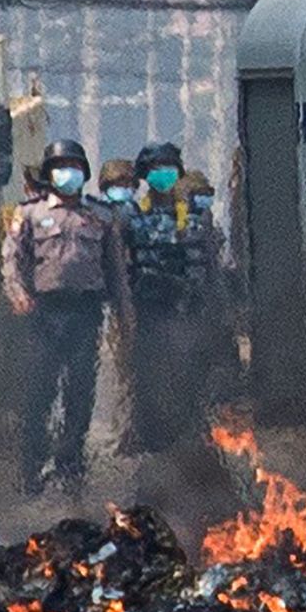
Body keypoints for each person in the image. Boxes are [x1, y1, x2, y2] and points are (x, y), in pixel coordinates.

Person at [2, 140, 130, 496]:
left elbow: (116, 271)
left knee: (79, 393)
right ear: (49, 173)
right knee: (38, 393)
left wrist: (125, 314)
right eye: (60, 165)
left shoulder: (101, 217)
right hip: (43, 315)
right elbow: (12, 261)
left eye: (74, 165)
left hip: (85, 313)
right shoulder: (28, 214)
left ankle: (70, 466)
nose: (67, 172)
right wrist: (18, 295)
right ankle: (31, 470)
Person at [125, 143, 216, 456]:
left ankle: (191, 438)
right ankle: (150, 442)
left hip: (187, 309)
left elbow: (208, 264)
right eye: (156, 168)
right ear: (144, 175)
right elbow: (120, 265)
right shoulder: (130, 216)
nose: (163, 175)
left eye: (169, 168)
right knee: (149, 377)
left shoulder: (195, 216)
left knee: (190, 374)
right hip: (149, 308)